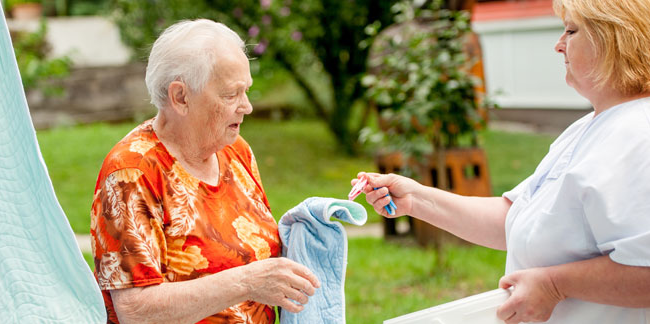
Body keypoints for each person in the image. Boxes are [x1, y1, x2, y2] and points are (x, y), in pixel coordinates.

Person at [354, 0, 650, 323]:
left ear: (614, 39)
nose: (558, 45)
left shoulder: (638, 135)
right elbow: (515, 219)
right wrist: (415, 198)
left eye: (571, 31)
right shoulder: (590, 125)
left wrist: (554, 286)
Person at [90, 19, 320, 324]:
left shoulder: (235, 150)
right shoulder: (132, 172)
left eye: (246, 91)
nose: (247, 106)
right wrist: (246, 282)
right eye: (231, 95)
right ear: (180, 97)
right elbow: (136, 311)